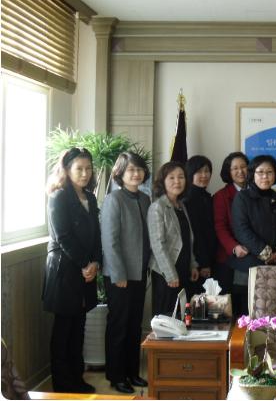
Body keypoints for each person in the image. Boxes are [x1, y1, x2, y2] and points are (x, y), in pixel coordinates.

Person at [43, 147, 101, 393]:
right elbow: (63, 236)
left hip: (86, 269)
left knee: (79, 325)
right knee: (64, 327)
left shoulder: (91, 196)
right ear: (66, 169)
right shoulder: (59, 196)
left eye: (88, 168)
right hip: (65, 270)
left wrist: (96, 262)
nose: (85, 173)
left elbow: (97, 235)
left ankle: (76, 378)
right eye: (79, 168)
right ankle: (62, 383)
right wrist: (85, 264)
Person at [101, 152, 151, 394]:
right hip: (119, 275)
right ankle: (116, 375)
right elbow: (110, 241)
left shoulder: (145, 199)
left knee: (134, 325)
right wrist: (118, 274)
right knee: (119, 325)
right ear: (120, 173)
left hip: (139, 273)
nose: (136, 174)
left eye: (139, 169)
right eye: (131, 170)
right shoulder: (114, 199)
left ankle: (132, 372)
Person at [231, 155, 276, 315]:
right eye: (260, 172)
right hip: (249, 264)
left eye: (269, 172)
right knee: (246, 313)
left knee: (274, 311)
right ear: (252, 174)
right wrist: (267, 253)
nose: (265, 176)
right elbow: (241, 230)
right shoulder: (242, 197)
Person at [148, 162, 200, 316]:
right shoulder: (158, 207)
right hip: (166, 271)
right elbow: (158, 244)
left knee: (181, 315)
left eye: (181, 177)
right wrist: (170, 274)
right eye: (171, 178)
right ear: (162, 182)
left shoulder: (181, 205)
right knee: (166, 317)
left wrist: (192, 265)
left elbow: (187, 239)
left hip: (183, 268)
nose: (177, 181)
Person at [213, 152, 249, 296]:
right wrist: (234, 247)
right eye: (235, 168)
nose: (240, 171)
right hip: (229, 257)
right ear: (229, 171)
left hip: (253, 255)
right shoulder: (221, 196)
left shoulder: (255, 192)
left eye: (243, 167)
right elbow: (220, 226)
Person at [184, 155, 217, 291]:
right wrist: (203, 263)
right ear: (190, 174)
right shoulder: (189, 199)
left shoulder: (207, 197)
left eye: (207, 171)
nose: (204, 175)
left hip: (210, 258)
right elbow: (196, 233)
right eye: (199, 172)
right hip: (197, 263)